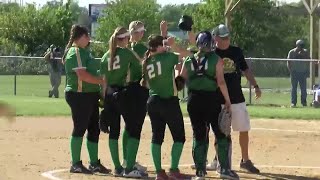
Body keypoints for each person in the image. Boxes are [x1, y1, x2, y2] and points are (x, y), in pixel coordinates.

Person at [179, 31, 238, 179]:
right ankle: (224, 170)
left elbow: (180, 81)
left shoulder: (189, 59)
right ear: (211, 44)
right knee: (219, 133)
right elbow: (221, 82)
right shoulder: (216, 59)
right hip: (211, 99)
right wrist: (228, 101)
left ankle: (200, 172)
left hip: (193, 100)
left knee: (199, 135)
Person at [205, 24, 261, 174]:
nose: (225, 40)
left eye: (227, 37)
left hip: (237, 97)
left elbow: (246, 69)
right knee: (221, 132)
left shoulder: (236, 52)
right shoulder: (211, 53)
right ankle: (218, 159)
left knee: (243, 129)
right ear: (215, 38)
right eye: (222, 38)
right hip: (219, 99)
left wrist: (255, 85)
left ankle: (245, 160)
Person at [99, 27, 147, 178]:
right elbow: (142, 67)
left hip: (109, 94)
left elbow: (104, 81)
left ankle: (118, 168)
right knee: (133, 129)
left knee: (114, 132)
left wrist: (104, 100)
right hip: (122, 94)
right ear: (125, 38)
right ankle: (129, 167)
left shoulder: (105, 56)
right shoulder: (127, 52)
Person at [63, 24, 110, 174]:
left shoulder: (85, 52)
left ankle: (94, 163)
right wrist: (101, 82)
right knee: (80, 127)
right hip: (78, 95)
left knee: (94, 129)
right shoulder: (75, 52)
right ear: (80, 37)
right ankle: (75, 163)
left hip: (89, 95)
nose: (89, 38)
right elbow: (82, 75)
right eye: (87, 36)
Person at [142, 35, 190, 180]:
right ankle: (174, 170)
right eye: (163, 44)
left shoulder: (147, 60)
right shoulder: (167, 57)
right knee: (179, 137)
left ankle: (159, 172)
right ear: (157, 47)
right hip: (169, 102)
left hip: (153, 101)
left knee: (157, 137)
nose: (165, 46)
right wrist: (173, 45)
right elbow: (187, 55)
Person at [116, 20, 149, 172]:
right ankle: (131, 162)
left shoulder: (123, 48)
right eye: (140, 32)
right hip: (138, 88)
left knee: (128, 126)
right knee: (135, 126)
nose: (141, 34)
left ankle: (126, 160)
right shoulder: (141, 48)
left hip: (124, 88)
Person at [287, 39, 310, 107]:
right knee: (294, 88)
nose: (301, 47)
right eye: (300, 46)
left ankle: (304, 102)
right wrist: (291, 71)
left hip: (302, 73)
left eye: (302, 46)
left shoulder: (305, 52)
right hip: (294, 73)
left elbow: (309, 60)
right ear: (297, 45)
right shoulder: (291, 52)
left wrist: (303, 55)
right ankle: (293, 102)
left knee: (303, 89)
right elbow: (288, 62)